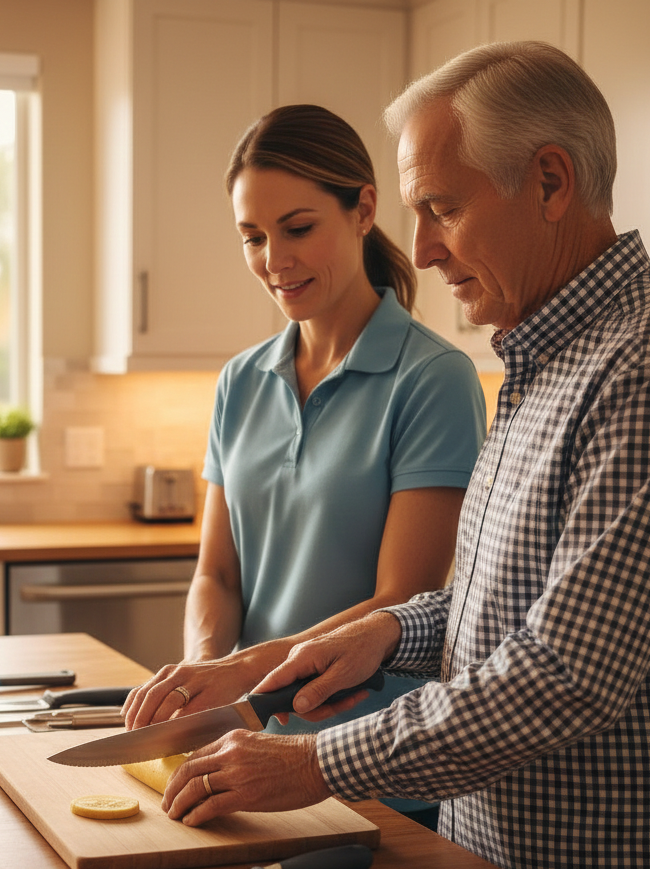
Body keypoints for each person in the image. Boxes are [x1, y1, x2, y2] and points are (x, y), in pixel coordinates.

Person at [154, 42, 650, 869]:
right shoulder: (540, 362)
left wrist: (313, 763)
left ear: (551, 183)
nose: (426, 248)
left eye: (444, 208)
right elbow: (506, 602)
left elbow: (566, 671)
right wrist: (392, 632)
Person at [123, 104, 486, 827]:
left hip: (367, 770)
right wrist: (205, 675)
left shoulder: (432, 379)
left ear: (363, 210)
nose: (273, 261)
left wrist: (238, 672)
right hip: (246, 754)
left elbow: (403, 599)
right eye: (252, 237)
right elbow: (217, 574)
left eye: (298, 228)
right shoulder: (239, 381)